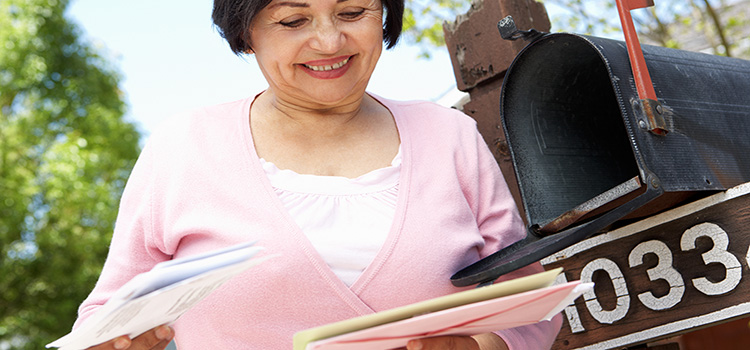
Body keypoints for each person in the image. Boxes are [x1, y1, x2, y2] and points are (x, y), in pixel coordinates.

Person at [75, 0, 562, 349]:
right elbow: (105, 317)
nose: (329, 40)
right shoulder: (182, 147)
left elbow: (531, 303)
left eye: (353, 13)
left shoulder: (451, 135)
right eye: (293, 19)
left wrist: (481, 347)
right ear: (247, 32)